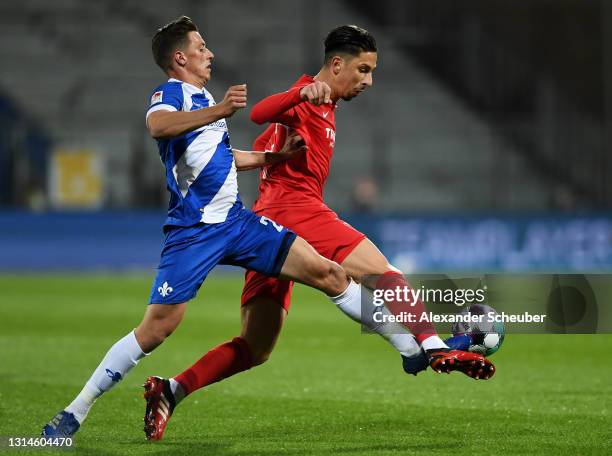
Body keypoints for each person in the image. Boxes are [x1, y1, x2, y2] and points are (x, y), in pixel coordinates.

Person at [141, 25, 494, 441]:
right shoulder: (309, 95)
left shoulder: (327, 106)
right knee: (379, 270)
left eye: (372, 71)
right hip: (295, 208)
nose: (368, 81)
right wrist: (299, 95)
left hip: (267, 220)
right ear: (337, 64)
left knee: (256, 347)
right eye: (362, 70)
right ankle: (430, 348)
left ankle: (171, 390)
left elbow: (267, 133)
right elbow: (260, 112)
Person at [41, 16, 369, 439]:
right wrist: (221, 109)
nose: (210, 53)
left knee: (329, 273)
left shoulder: (203, 98)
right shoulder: (171, 93)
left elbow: (222, 157)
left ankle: (418, 347)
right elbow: (157, 126)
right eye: (201, 47)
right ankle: (75, 411)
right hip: (194, 232)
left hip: (237, 222)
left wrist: (273, 159)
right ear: (180, 58)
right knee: (157, 329)